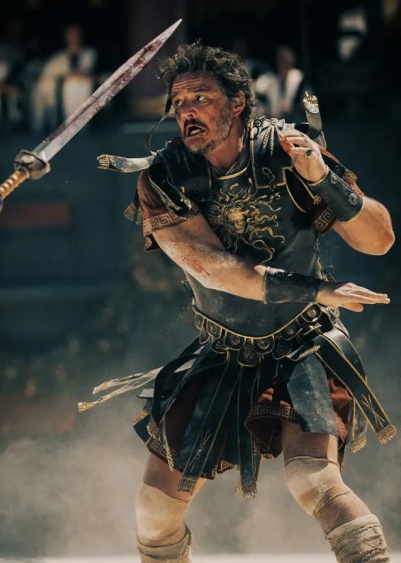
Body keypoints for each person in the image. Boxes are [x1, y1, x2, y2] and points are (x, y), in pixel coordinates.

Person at [91, 43, 394, 562]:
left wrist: (322, 180)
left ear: (237, 104)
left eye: (200, 97)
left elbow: (379, 239)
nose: (186, 110)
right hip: (222, 350)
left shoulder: (287, 151)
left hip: (303, 343)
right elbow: (215, 269)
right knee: (154, 512)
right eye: (179, 101)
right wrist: (318, 289)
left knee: (314, 481)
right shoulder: (164, 178)